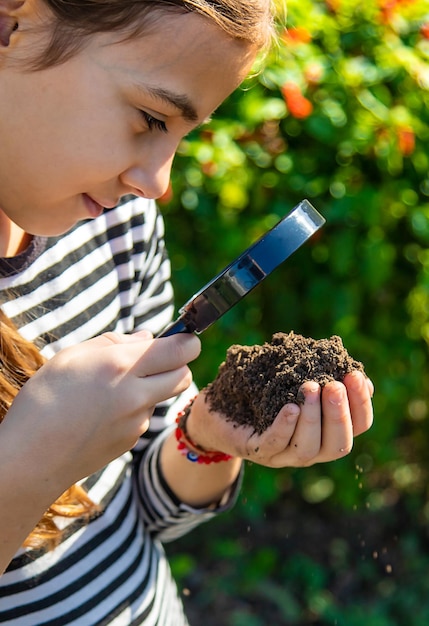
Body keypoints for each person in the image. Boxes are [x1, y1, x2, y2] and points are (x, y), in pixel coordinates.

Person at [0, 0, 374, 623]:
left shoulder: (117, 229)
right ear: (13, 23)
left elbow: (143, 504)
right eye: (151, 118)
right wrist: (29, 463)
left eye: (182, 134)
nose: (156, 181)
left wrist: (207, 437)